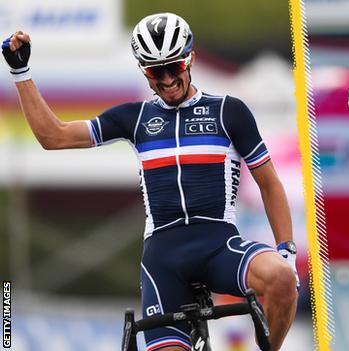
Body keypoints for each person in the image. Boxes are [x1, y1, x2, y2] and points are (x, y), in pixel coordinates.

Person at [3, 12, 298, 351]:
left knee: (281, 278)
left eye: (175, 66)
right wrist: (20, 71)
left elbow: (270, 184)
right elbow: (53, 136)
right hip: (164, 258)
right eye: (156, 71)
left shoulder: (228, 111)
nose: (168, 78)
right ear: (144, 71)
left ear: (192, 59)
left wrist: (286, 251)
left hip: (219, 243)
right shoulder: (134, 117)